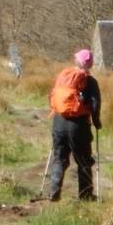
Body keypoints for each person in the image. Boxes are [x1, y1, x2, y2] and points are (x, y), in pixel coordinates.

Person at [47, 48, 102, 201]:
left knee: (59, 158)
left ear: (76, 60)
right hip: (78, 125)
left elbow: (51, 96)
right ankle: (85, 196)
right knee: (83, 160)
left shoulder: (63, 76)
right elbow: (95, 105)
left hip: (59, 120)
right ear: (90, 64)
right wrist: (96, 122)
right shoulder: (90, 81)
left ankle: (54, 192)